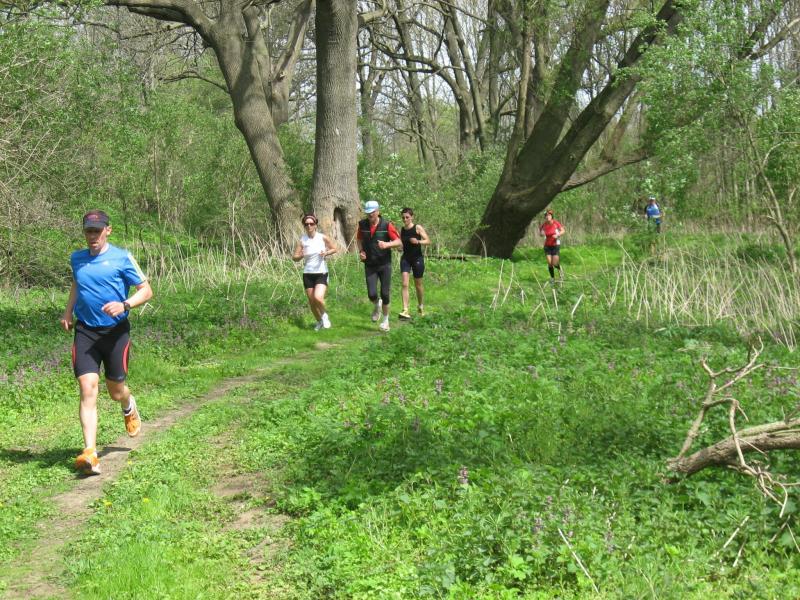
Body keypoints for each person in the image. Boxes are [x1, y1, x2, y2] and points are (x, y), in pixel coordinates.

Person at [61, 210, 153, 476]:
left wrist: (125, 304)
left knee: (115, 391)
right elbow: (77, 284)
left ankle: (127, 404)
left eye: (97, 231)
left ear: (107, 231)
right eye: (88, 231)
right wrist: (68, 311)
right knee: (87, 387)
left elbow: (146, 290)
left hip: (115, 333)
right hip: (86, 331)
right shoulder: (77, 258)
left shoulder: (122, 257)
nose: (93, 236)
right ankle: (90, 453)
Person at [357, 199, 402, 331]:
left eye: (372, 212)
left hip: (384, 264)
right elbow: (359, 239)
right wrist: (361, 251)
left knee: (385, 293)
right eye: (368, 212)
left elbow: (398, 242)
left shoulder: (387, 225)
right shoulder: (362, 225)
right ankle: (377, 305)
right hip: (370, 264)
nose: (370, 215)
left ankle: (386, 321)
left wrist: (387, 244)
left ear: (378, 211)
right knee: (371, 294)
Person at [292, 214, 337, 330]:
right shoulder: (302, 240)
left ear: (315, 225)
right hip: (308, 274)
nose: (309, 226)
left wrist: (326, 253)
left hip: (321, 272)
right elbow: (294, 257)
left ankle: (324, 315)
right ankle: (319, 321)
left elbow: (334, 248)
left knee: (318, 297)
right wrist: (301, 255)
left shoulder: (322, 237)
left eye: (311, 224)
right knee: (312, 302)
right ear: (304, 226)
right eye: (306, 224)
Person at [398, 207, 430, 319]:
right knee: (404, 284)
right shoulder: (402, 229)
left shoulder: (417, 228)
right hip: (406, 259)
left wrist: (418, 241)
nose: (405, 219)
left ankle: (420, 306)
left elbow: (428, 241)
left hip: (417, 259)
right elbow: (401, 244)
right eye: (403, 217)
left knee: (418, 284)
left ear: (412, 217)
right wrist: (399, 247)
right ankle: (405, 310)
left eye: (407, 217)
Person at [538, 209, 565, 285]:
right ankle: (552, 278)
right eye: (546, 216)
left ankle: (560, 270)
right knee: (550, 263)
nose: (547, 217)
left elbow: (563, 231)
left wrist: (558, 235)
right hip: (547, 246)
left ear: (551, 216)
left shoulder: (556, 223)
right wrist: (541, 234)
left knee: (555, 263)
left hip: (555, 245)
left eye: (549, 215)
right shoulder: (544, 225)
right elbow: (540, 233)